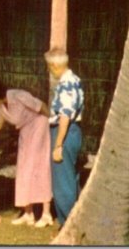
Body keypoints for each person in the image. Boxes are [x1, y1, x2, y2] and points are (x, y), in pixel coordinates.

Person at [0, 80, 53, 228]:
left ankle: (46, 214)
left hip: (39, 128)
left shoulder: (19, 95)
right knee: (23, 170)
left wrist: (54, 128)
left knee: (38, 168)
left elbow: (42, 107)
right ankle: (28, 213)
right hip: (26, 132)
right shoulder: (1, 106)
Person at [45, 48, 84, 227]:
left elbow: (65, 116)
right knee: (70, 178)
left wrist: (58, 144)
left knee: (62, 183)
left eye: (48, 66)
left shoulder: (67, 83)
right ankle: (75, 220)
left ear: (53, 65)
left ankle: (68, 226)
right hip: (71, 132)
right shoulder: (74, 80)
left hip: (65, 133)